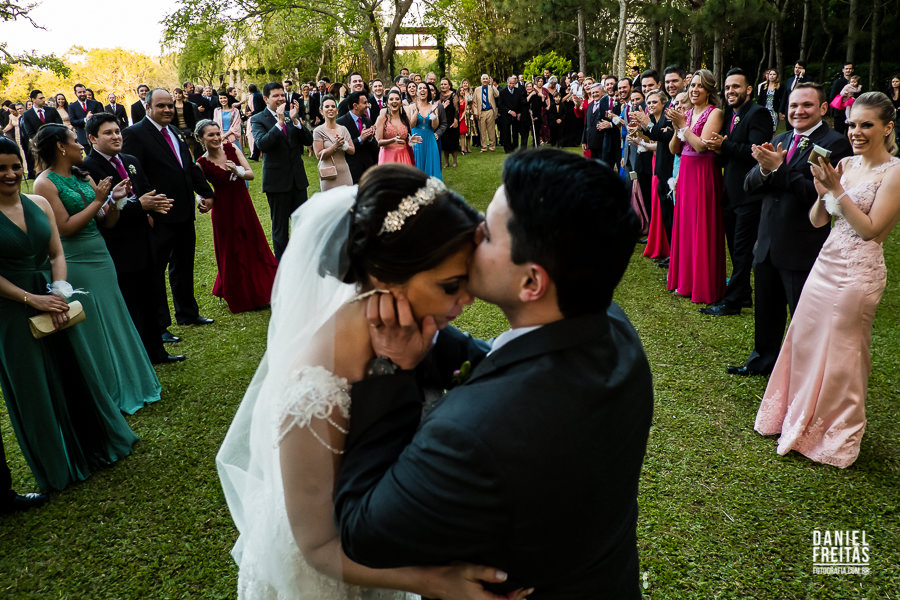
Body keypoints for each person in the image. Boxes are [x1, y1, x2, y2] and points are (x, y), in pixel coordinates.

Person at [333, 149, 652, 599]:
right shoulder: (614, 330)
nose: (472, 231)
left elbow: (362, 530)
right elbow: (510, 362)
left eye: (487, 232)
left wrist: (392, 370)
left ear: (531, 283)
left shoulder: (469, 434)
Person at [216, 164, 521, 600]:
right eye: (451, 285)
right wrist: (435, 581)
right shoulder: (312, 392)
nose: (468, 298)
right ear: (385, 277)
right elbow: (317, 546)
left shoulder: (419, 329)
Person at [755, 92, 900, 467]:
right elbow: (818, 220)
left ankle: (836, 433)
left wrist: (836, 190)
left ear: (887, 127)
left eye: (866, 125)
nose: (856, 132)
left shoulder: (894, 172)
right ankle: (798, 419)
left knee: (842, 355)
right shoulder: (846, 163)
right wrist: (822, 193)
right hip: (825, 263)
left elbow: (870, 230)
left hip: (858, 273)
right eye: (852, 124)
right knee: (805, 342)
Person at [0, 137, 139, 491]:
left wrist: (59, 292)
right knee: (34, 386)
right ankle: (58, 466)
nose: (11, 174)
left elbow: (57, 253)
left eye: (15, 166)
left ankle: (96, 445)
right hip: (12, 308)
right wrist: (33, 300)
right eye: (1, 169)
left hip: (53, 296)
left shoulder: (38, 203)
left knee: (75, 370)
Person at [32, 124, 163, 414]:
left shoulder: (83, 174)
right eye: (74, 141)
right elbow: (65, 228)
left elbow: (106, 221)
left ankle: (132, 381)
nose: (81, 145)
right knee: (92, 321)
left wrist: (115, 201)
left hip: (101, 254)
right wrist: (100, 200)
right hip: (75, 258)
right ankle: (106, 389)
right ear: (60, 147)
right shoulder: (44, 184)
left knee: (115, 315)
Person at [728, 82, 852, 377]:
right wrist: (765, 169)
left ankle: (803, 374)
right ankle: (763, 360)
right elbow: (749, 184)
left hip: (801, 244)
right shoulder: (781, 139)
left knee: (803, 313)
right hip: (768, 240)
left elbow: (819, 195)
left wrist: (779, 170)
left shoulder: (835, 144)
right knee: (766, 309)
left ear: (823, 108)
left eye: (807, 105)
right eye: (794, 105)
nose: (799, 111)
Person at [81, 113, 183, 365]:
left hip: (145, 238)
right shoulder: (88, 168)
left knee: (151, 294)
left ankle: (157, 351)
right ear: (92, 138)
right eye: (108, 133)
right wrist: (141, 207)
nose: (116, 136)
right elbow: (102, 210)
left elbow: (146, 191)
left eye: (117, 131)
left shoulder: (130, 160)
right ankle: (137, 356)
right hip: (119, 243)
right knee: (131, 300)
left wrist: (152, 208)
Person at [122, 88, 217, 341]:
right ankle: (159, 325)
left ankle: (187, 313)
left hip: (184, 211)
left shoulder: (175, 131)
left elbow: (188, 166)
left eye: (170, 106)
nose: (167, 110)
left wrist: (206, 192)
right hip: (159, 213)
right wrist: (146, 209)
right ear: (147, 107)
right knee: (155, 271)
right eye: (161, 106)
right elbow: (134, 174)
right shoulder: (134, 134)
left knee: (184, 265)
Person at [700, 68, 774, 316]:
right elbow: (729, 154)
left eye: (736, 87)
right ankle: (743, 295)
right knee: (734, 246)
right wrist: (719, 150)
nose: (730, 91)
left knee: (742, 250)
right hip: (731, 192)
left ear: (749, 89)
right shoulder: (732, 116)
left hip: (749, 195)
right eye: (727, 87)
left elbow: (755, 152)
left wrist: (724, 145)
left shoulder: (758, 113)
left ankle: (731, 303)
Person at [195, 120, 279, 313]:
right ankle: (240, 295)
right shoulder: (201, 164)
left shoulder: (231, 148)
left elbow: (250, 174)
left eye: (218, 133)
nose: (216, 138)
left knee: (253, 245)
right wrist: (201, 201)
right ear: (200, 139)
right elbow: (201, 191)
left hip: (243, 205)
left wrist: (237, 171)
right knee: (232, 251)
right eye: (210, 135)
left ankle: (263, 290)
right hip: (223, 210)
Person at [665, 69, 726, 304]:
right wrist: (676, 127)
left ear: (709, 89)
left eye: (700, 85)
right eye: (692, 85)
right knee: (686, 226)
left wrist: (683, 126)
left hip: (703, 173)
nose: (694, 89)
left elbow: (701, 146)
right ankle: (686, 281)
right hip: (686, 172)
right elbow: (674, 149)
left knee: (702, 225)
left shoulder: (715, 113)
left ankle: (703, 285)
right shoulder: (687, 113)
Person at [250, 82, 315, 261]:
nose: (280, 99)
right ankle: (283, 266)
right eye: (276, 96)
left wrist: (296, 121)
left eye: (282, 95)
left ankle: (304, 261)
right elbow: (263, 144)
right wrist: (279, 123)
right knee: (280, 229)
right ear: (266, 99)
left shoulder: (290, 115)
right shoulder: (258, 119)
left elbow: (308, 140)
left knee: (303, 224)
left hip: (297, 180)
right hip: (277, 182)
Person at [314, 96, 355, 191]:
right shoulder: (318, 131)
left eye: (333, 106)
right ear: (321, 111)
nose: (330, 109)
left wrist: (344, 145)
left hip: (344, 173)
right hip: (329, 175)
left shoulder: (343, 129)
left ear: (337, 111)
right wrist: (335, 146)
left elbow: (352, 150)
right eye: (327, 106)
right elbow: (319, 155)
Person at [337, 91, 377, 183]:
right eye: (365, 103)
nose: (368, 105)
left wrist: (370, 138)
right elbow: (342, 147)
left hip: (368, 168)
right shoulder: (341, 123)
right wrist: (360, 139)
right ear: (355, 105)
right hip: (351, 169)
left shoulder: (367, 121)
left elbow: (375, 147)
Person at [375, 89, 420, 166]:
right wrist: (393, 140)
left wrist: (410, 140)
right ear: (387, 103)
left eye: (397, 99)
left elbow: (405, 139)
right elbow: (378, 142)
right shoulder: (381, 119)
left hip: (403, 155)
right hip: (387, 157)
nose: (394, 101)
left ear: (401, 103)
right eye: (391, 99)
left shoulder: (405, 119)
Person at [408, 82, 442, 179]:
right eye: (420, 88)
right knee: (417, 166)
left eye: (425, 88)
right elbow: (411, 125)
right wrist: (417, 110)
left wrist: (434, 113)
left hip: (430, 140)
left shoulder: (433, 107)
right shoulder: (412, 107)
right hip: (416, 141)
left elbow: (434, 126)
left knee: (432, 166)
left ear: (428, 92)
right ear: (417, 92)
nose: (422, 90)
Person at [68, 83, 103, 152]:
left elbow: (101, 117)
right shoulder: (72, 106)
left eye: (84, 92)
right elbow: (73, 121)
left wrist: (93, 118)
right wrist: (85, 120)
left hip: (97, 135)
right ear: (75, 93)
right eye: (80, 92)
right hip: (83, 137)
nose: (82, 94)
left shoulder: (95, 103)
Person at [473, 74, 499, 152]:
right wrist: (476, 113)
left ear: (488, 80)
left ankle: (492, 147)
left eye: (486, 78)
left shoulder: (491, 88)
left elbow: (497, 95)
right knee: (482, 131)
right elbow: (474, 102)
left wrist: (492, 85)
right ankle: (484, 147)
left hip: (490, 111)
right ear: (481, 80)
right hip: (481, 112)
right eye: (483, 79)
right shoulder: (477, 89)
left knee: (491, 130)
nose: (485, 80)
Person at [439, 78, 460, 168]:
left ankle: (455, 161)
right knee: (445, 144)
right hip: (442, 122)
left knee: (453, 143)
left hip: (452, 121)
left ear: (449, 85)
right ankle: (446, 162)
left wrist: (456, 120)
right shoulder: (439, 95)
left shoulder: (453, 95)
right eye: (441, 84)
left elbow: (457, 109)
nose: (443, 86)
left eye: (445, 84)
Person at [173, 88, 199, 157]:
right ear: (174, 95)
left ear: (182, 94)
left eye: (179, 93)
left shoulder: (188, 105)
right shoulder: (171, 106)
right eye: (176, 93)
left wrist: (192, 130)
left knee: (191, 151)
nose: (178, 95)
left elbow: (192, 119)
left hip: (188, 130)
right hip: (176, 130)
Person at [830, 63, 855, 135]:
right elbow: (832, 97)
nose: (848, 70)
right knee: (838, 135)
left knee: (850, 135)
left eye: (850, 69)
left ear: (853, 70)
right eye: (846, 69)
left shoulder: (856, 82)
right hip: (839, 113)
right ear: (843, 70)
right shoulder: (838, 82)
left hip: (852, 113)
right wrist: (842, 96)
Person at [459, 78, 474, 154]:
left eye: (466, 83)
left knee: (469, 130)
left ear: (468, 85)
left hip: (470, 113)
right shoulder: (460, 93)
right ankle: (463, 147)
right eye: (464, 83)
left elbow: (473, 103)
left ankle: (468, 146)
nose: (465, 84)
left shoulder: (471, 93)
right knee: (463, 131)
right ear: (462, 84)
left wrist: (474, 112)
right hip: (463, 113)